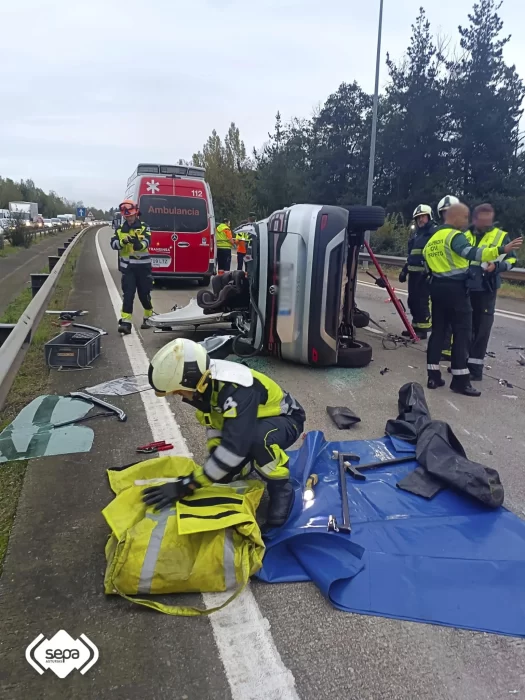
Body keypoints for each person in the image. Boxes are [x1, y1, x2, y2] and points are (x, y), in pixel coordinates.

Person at [143, 338, 306, 527]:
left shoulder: (236, 390)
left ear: (190, 381)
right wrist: (215, 458)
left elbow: (234, 448)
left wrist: (188, 484)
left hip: (288, 419)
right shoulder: (206, 385)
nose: (179, 395)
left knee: (256, 441)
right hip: (254, 420)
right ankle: (247, 463)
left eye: (179, 391)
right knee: (224, 469)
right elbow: (216, 425)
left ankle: (281, 487)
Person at [423, 203, 522, 397]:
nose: (466, 221)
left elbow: (426, 261)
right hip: (456, 290)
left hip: (437, 287)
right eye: (465, 217)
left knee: (438, 331)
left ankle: (433, 375)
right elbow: (473, 254)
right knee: (463, 333)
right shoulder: (455, 236)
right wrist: (502, 249)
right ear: (456, 217)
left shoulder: (433, 237)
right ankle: (460, 381)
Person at [466, 203, 518, 380]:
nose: (486, 224)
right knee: (466, 327)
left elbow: (512, 260)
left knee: (482, 329)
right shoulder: (465, 235)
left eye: (489, 220)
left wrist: (498, 266)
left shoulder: (500, 236)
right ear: (475, 219)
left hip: (487, 287)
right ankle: (463, 364)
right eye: (482, 220)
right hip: (467, 286)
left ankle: (475, 369)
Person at [111, 199, 154, 335]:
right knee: (128, 295)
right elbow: (113, 244)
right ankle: (126, 323)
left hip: (143, 268)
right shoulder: (119, 230)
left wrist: (138, 244)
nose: (129, 218)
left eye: (130, 215)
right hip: (128, 268)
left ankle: (148, 316)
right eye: (126, 216)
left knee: (144, 295)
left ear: (136, 214)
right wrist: (122, 242)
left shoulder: (144, 227)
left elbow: (147, 241)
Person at [399, 204, 437, 339]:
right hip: (414, 273)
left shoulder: (433, 233)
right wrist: (405, 270)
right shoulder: (416, 234)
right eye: (418, 218)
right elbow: (411, 255)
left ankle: (423, 329)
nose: (420, 220)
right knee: (413, 301)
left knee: (422, 302)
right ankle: (414, 327)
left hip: (425, 274)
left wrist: (430, 273)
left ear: (429, 217)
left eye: (423, 217)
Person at [436, 195, 460, 361]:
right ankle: (444, 348)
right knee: (442, 319)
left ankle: (451, 350)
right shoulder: (439, 234)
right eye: (444, 213)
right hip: (441, 283)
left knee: (455, 321)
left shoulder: (462, 234)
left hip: (459, 284)